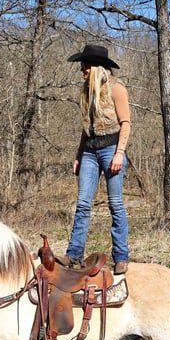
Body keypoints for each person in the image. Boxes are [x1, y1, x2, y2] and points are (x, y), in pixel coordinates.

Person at [64, 44, 131, 275]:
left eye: (84, 65)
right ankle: (73, 254)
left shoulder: (116, 88)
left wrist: (119, 153)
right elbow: (86, 128)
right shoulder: (85, 90)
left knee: (116, 204)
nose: (81, 70)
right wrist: (78, 156)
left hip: (111, 149)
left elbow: (126, 123)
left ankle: (121, 256)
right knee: (82, 204)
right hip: (90, 152)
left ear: (95, 67)